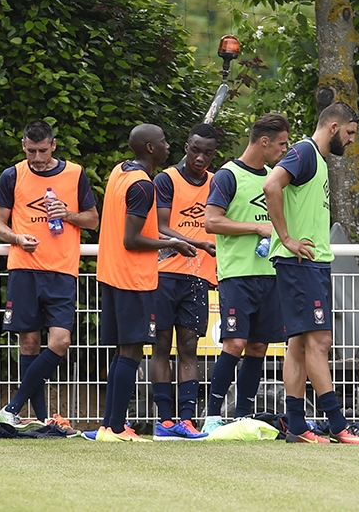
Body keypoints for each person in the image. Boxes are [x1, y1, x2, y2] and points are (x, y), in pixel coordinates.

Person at [263, 102, 359, 444]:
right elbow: (271, 186)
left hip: (308, 263)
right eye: (350, 133)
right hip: (301, 263)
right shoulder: (305, 152)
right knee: (320, 341)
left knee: (298, 345)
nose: (351, 140)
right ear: (333, 127)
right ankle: (338, 425)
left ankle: (297, 427)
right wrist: (286, 238)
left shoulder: (315, 158)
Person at [0, 120, 98, 434]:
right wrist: (16, 238)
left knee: (61, 341)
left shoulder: (75, 173)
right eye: (30, 151)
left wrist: (67, 214)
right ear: (23, 146)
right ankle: (40, 420)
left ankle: (12, 408)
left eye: (41, 150)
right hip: (25, 267)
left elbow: (92, 220)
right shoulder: (12, 175)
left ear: (53, 145)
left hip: (62, 269)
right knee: (29, 342)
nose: (36, 157)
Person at [94, 123, 196, 442]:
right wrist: (172, 245)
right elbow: (132, 239)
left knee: (122, 352)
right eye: (164, 141)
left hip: (111, 274)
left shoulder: (120, 172)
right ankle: (117, 427)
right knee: (132, 353)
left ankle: (109, 425)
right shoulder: (143, 186)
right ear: (150, 148)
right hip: (132, 278)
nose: (169, 146)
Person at [201, 113, 288, 434]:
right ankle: (211, 416)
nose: (284, 150)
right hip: (237, 275)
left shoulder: (273, 178)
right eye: (281, 143)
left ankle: (243, 416)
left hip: (270, 274)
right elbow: (212, 222)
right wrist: (256, 227)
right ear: (263, 142)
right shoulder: (228, 175)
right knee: (234, 343)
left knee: (258, 346)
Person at [150, 123, 219, 441]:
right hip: (164, 274)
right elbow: (161, 227)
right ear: (186, 147)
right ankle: (165, 420)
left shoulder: (218, 183)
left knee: (190, 347)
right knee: (161, 346)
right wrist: (194, 241)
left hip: (198, 276)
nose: (200, 158)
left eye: (207, 153)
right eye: (195, 150)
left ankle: (187, 418)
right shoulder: (167, 179)